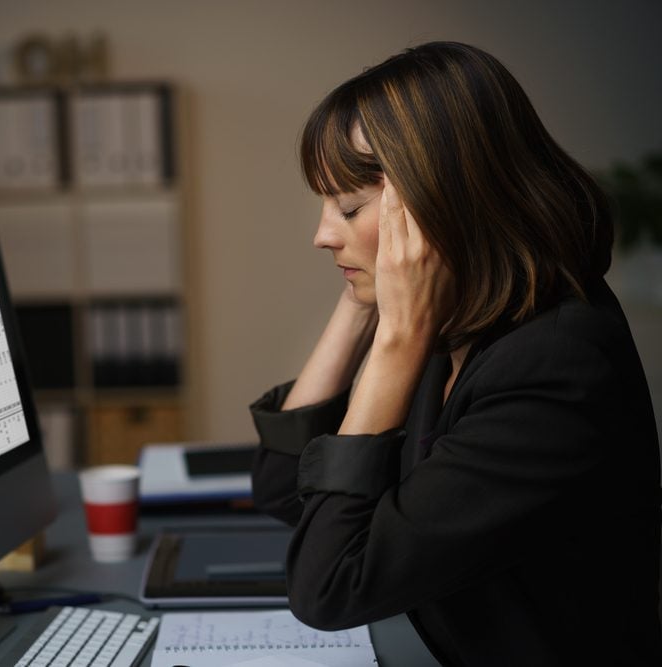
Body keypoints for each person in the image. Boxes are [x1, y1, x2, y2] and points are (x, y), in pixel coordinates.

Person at [249, 41, 662, 666]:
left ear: (441, 200)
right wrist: (365, 302)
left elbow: (328, 583)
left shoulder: (554, 366)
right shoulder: (464, 323)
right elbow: (284, 487)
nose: (322, 234)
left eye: (350, 206)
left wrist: (397, 338)